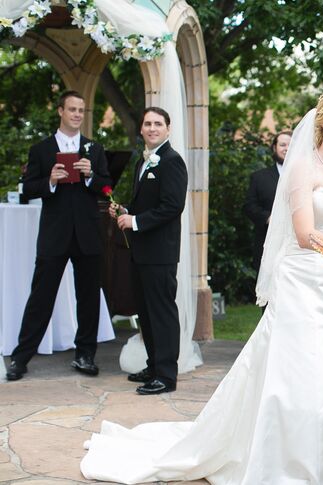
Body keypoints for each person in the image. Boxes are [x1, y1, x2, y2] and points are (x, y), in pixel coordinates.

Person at [81, 91, 323, 483]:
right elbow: (304, 235)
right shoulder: (302, 168)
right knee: (297, 371)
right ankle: (283, 461)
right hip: (299, 279)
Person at [6, 90, 112, 381]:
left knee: (88, 297)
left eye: (81, 110)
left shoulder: (95, 149)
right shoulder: (41, 149)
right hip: (55, 234)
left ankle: (85, 354)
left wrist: (91, 175)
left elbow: (106, 186)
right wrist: (50, 181)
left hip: (88, 234)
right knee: (41, 296)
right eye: (72, 109)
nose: (78, 114)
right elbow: (28, 188)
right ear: (60, 111)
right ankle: (21, 357)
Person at [108, 107, 188, 395]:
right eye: (147, 124)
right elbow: (145, 204)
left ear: (168, 128)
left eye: (158, 123)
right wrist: (126, 211)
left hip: (160, 253)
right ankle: (154, 365)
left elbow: (172, 206)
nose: (152, 128)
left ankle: (166, 376)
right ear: (141, 129)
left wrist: (136, 221)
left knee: (162, 313)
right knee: (146, 312)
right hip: (141, 252)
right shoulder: (143, 162)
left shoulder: (171, 161)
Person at [243, 130, 292, 272]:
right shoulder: (259, 177)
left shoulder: (307, 175)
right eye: (283, 145)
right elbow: (249, 206)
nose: (287, 149)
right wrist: (269, 217)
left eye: (290, 145)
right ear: (274, 148)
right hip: (267, 242)